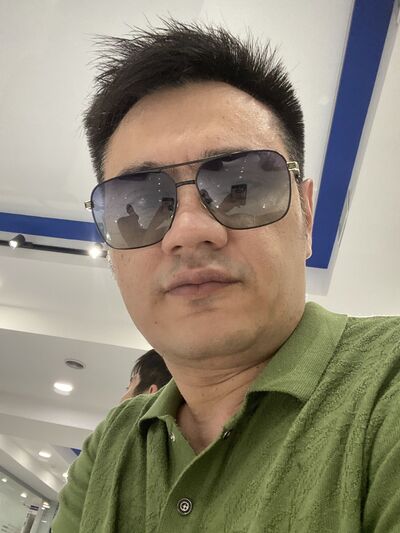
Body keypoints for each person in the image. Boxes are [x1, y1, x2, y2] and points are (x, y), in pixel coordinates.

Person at [53, 20, 400, 532]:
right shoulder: (109, 448)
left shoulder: (386, 387)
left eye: (243, 186)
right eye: (139, 203)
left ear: (306, 216)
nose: (189, 232)